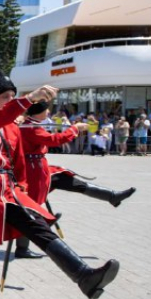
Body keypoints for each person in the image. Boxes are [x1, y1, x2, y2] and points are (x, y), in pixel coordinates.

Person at [0, 71, 120, 299]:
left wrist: (22, 191)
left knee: (39, 226)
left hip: (7, 192)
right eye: (5, 97)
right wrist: (29, 99)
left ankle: (83, 275)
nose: (11, 101)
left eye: (12, 96)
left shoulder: (13, 126)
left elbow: (18, 164)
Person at [18, 101, 88, 259]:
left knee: (32, 204)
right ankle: (25, 244)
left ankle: (37, 228)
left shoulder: (32, 124)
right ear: (39, 112)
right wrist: (74, 129)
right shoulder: (31, 127)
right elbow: (54, 140)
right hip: (32, 168)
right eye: (46, 109)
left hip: (36, 165)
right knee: (30, 206)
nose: (49, 112)